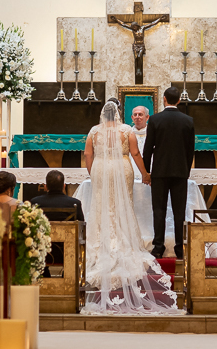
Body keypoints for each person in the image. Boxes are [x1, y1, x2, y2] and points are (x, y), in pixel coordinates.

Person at [81, 101, 179, 314]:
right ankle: (123, 240)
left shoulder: (93, 131)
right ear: (117, 114)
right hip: (121, 167)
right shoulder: (126, 131)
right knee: (122, 205)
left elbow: (88, 155)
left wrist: (92, 172)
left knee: (101, 207)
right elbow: (135, 154)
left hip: (100, 169)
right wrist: (145, 173)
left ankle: (100, 243)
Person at [143, 86, 195, 260]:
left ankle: (158, 246)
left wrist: (146, 171)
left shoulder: (155, 120)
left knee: (159, 210)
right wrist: (185, 172)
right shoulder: (188, 121)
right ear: (179, 100)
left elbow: (148, 148)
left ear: (164, 99)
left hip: (159, 172)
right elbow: (190, 150)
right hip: (180, 172)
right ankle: (180, 247)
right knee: (179, 211)